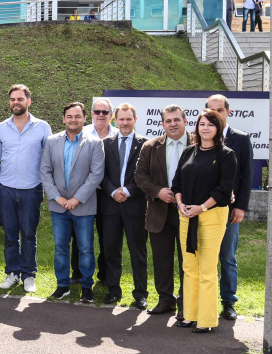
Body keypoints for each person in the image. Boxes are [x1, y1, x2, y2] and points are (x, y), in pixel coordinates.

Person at [172, 110, 238, 333]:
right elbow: (177, 182)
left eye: (211, 124)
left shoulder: (226, 154)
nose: (206, 128)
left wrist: (201, 207)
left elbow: (224, 190)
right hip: (186, 216)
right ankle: (189, 314)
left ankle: (206, 319)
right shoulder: (189, 151)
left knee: (207, 269)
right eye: (202, 124)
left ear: (218, 128)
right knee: (189, 267)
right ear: (197, 128)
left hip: (211, 216)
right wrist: (180, 205)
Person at [39, 102, 105, 303]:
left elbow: (96, 174)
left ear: (85, 118)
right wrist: (58, 198)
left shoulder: (94, 143)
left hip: (83, 205)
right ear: (63, 119)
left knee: (85, 248)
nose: (73, 119)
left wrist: (76, 199)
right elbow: (45, 171)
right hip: (58, 206)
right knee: (60, 247)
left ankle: (86, 286)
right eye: (69, 116)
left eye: (77, 116)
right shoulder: (51, 141)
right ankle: (62, 285)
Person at [134, 105, 191, 318]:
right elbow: (140, 176)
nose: (173, 124)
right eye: (168, 121)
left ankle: (186, 303)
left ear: (185, 121)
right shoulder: (150, 147)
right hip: (160, 212)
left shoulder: (200, 144)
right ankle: (166, 300)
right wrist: (158, 192)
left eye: (177, 119)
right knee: (161, 259)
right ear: (162, 124)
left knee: (189, 260)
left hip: (189, 213)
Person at [0, 85, 51, 293]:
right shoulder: (1, 127)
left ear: (29, 101)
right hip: (7, 188)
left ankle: (29, 275)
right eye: (12, 99)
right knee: (10, 234)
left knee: (28, 234)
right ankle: (12, 273)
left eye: (20, 99)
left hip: (31, 188)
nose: (15, 103)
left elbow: (48, 156)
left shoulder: (43, 127)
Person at [205, 94, 254, 321]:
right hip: (203, 209)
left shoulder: (241, 139)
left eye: (220, 110)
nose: (215, 115)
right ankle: (202, 301)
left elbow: (246, 176)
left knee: (227, 257)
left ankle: (228, 302)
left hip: (229, 209)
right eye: (210, 110)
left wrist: (241, 207)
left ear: (228, 112)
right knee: (202, 256)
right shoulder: (200, 136)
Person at [99, 103, 148, 308]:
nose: (125, 123)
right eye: (121, 119)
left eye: (129, 119)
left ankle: (140, 294)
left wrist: (127, 191)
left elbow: (147, 175)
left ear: (135, 120)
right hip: (110, 206)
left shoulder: (146, 144)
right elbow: (99, 173)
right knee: (110, 249)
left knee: (138, 251)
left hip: (134, 205)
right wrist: (112, 191)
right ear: (115, 120)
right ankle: (113, 290)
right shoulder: (105, 143)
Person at [82, 97, 117, 282]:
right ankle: (78, 274)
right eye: (97, 111)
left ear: (112, 115)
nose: (101, 115)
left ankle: (104, 274)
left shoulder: (119, 135)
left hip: (108, 194)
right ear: (92, 114)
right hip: (85, 193)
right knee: (81, 236)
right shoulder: (83, 132)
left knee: (107, 236)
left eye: (105, 112)